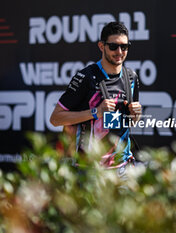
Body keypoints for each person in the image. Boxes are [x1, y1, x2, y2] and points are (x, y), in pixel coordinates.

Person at [50, 22, 142, 169]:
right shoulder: (86, 77)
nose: (119, 51)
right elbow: (55, 119)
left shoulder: (131, 77)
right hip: (90, 169)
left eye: (124, 47)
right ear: (101, 46)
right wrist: (95, 112)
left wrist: (136, 115)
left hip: (122, 167)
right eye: (113, 46)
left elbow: (130, 121)